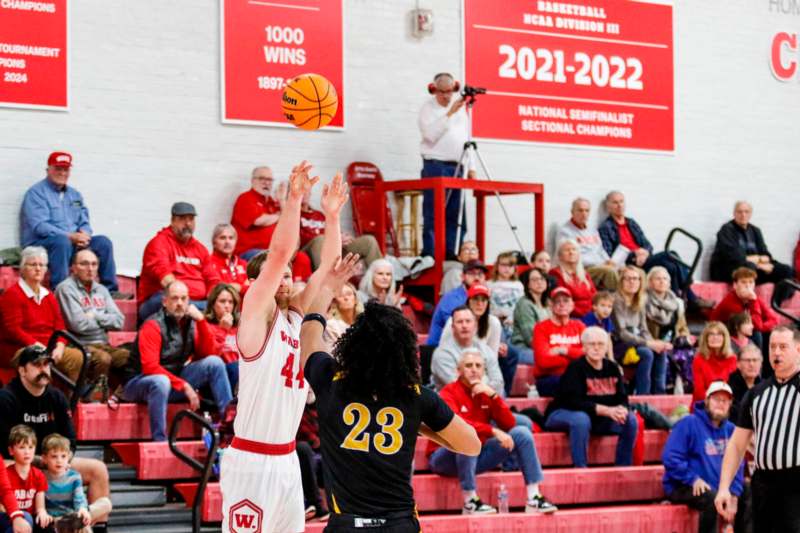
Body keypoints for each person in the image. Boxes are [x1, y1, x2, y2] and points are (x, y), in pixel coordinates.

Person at [299, 254, 482, 531]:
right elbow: (472, 445)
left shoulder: (330, 380)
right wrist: (418, 428)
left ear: (353, 344)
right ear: (406, 351)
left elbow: (309, 333)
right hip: (399, 524)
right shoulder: (416, 396)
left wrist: (328, 290)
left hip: (347, 525)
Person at [219, 162, 348, 533]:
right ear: (260, 283)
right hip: (251, 461)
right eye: (281, 275)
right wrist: (293, 201)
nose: (288, 279)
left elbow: (329, 267)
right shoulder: (256, 318)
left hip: (287, 459)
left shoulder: (297, 319)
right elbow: (278, 254)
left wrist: (332, 216)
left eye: (291, 275)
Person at [428, 351, 557, 515]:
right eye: (468, 366)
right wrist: (493, 431)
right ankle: (470, 502)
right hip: (443, 458)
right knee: (466, 438)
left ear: (483, 371)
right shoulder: (448, 393)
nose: (474, 369)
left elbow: (509, 423)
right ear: (458, 371)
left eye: (478, 366)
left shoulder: (485, 393)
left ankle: (534, 497)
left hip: (476, 455)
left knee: (521, 433)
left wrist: (494, 396)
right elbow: (457, 425)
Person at [0, 346, 111, 526]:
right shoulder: (6, 398)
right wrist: (39, 461)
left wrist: (62, 461)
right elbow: (4, 447)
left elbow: (71, 440)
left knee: (98, 469)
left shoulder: (57, 397)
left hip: (52, 460)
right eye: (37, 365)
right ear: (22, 370)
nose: (43, 369)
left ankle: (88, 526)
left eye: (46, 365)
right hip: (19, 461)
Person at [120, 281, 233, 441]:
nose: (180, 303)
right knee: (161, 382)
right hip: (138, 382)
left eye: (184, 298)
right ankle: (160, 440)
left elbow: (208, 353)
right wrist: (185, 386)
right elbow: (150, 367)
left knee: (214, 362)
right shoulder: (153, 325)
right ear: (165, 301)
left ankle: (229, 426)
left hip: (173, 379)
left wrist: (201, 321)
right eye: (174, 298)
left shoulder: (191, 323)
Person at [715, 326, 800, 531]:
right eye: (772, 347)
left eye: (783, 347)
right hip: (763, 483)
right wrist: (724, 486)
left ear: (798, 349)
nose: (777, 352)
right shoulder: (756, 394)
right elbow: (737, 445)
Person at [20, 152, 119, 293]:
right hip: (42, 244)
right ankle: (61, 291)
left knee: (103, 242)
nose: (62, 173)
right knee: (61, 241)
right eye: (58, 169)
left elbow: (84, 221)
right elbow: (40, 226)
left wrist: (85, 234)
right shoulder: (36, 193)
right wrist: (70, 236)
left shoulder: (75, 195)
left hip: (71, 243)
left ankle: (110, 291)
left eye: (65, 169)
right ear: (48, 170)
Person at [544, 327, 637, 468]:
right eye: (592, 344)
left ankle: (623, 467)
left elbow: (622, 398)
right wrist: (607, 411)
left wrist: (622, 409)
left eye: (600, 344)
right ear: (584, 347)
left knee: (630, 419)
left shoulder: (612, 368)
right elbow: (573, 402)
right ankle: (581, 468)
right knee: (581, 419)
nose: (596, 348)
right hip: (562, 413)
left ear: (606, 348)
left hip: (596, 418)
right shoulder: (575, 368)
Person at [599, 191, 709, 306]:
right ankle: (690, 292)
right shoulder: (606, 227)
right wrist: (634, 254)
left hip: (645, 259)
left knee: (671, 266)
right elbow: (610, 253)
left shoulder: (631, 223)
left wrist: (645, 252)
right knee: (670, 254)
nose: (619, 205)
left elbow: (648, 244)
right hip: (631, 263)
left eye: (621, 201)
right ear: (608, 207)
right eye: (615, 202)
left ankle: (678, 300)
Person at [663, 381, 747, 533]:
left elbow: (739, 463)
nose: (720, 404)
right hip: (684, 484)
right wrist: (692, 478)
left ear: (730, 404)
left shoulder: (732, 429)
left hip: (717, 487)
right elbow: (671, 458)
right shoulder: (688, 423)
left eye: (725, 401)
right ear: (707, 400)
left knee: (748, 491)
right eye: (716, 399)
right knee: (711, 498)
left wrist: (734, 493)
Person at [0, 247, 85, 384]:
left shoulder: (49, 295)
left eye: (42, 265)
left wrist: (60, 347)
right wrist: (36, 345)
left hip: (48, 346)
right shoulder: (12, 294)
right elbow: (13, 329)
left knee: (79, 356)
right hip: (20, 347)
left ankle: (71, 400)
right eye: (33, 264)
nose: (38, 269)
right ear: (23, 269)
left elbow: (60, 326)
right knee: (37, 357)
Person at [55, 248, 129, 397]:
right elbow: (78, 324)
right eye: (84, 264)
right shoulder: (65, 289)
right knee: (103, 358)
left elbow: (119, 321)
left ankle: (120, 396)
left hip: (103, 344)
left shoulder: (101, 289)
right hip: (77, 344)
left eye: (94, 264)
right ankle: (92, 399)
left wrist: (94, 315)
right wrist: (105, 319)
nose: (90, 269)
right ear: (74, 268)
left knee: (131, 357)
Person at [418, 72, 476, 259]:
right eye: (442, 92)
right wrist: (449, 114)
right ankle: (432, 253)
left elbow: (467, 139)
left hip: (458, 165)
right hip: (435, 164)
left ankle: (452, 252)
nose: (446, 96)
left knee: (456, 212)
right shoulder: (427, 109)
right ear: (433, 90)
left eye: (449, 91)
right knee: (433, 213)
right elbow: (430, 135)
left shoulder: (461, 110)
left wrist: (472, 166)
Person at [441, 284, 519, 396]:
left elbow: (492, 360)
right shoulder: (453, 322)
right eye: (476, 299)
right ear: (468, 302)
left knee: (499, 394)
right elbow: (445, 355)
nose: (480, 304)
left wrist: (485, 383)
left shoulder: (494, 323)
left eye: (484, 300)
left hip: (481, 373)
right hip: (457, 372)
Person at [138, 202, 212, 321]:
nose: (187, 223)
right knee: (166, 300)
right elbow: (166, 280)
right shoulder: (158, 243)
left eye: (191, 219)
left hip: (197, 302)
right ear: (172, 221)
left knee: (223, 304)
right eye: (182, 219)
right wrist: (184, 301)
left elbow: (212, 279)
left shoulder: (201, 249)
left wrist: (216, 301)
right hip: (160, 301)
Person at [710, 201, 795, 304]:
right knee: (749, 266)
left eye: (746, 212)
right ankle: (746, 305)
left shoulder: (755, 231)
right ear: (734, 213)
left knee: (786, 270)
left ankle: (776, 304)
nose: (743, 215)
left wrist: (762, 262)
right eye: (740, 212)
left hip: (751, 267)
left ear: (751, 214)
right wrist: (758, 262)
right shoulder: (727, 230)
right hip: (726, 269)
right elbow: (734, 257)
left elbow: (766, 255)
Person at [612, 266, 669, 395]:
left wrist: (654, 343)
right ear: (621, 282)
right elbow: (622, 333)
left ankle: (659, 394)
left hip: (637, 340)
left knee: (661, 351)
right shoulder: (616, 300)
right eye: (628, 279)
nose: (632, 282)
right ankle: (643, 396)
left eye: (636, 279)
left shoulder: (640, 300)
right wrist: (648, 344)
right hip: (620, 344)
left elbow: (644, 329)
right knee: (646, 353)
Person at [42, 433, 113, 533]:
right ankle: (66, 524)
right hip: (54, 519)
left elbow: (79, 497)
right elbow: (40, 503)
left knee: (105, 503)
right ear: (44, 459)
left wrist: (83, 509)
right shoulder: (41, 477)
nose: (59, 461)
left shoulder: (74, 476)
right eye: (54, 456)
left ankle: (74, 522)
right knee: (82, 525)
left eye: (63, 456)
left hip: (73, 515)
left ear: (68, 458)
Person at [299, 187, 382, 269]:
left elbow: (333, 229)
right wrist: (333, 240)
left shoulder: (319, 215)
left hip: (332, 247)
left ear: (310, 194)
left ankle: (382, 273)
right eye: (301, 191)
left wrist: (342, 237)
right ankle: (325, 279)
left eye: (307, 192)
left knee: (369, 241)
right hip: (309, 251)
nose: (304, 194)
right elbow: (300, 238)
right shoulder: (294, 215)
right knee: (320, 240)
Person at [431, 307, 504, 394]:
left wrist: (481, 387)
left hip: (485, 402)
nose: (464, 326)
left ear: (475, 325)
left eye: (468, 321)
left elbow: (498, 383)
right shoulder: (442, 354)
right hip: (451, 405)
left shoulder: (486, 350)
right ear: (453, 327)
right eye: (460, 322)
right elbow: (457, 386)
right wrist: (486, 381)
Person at [532, 287, 586, 396]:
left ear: (572, 305)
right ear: (551, 306)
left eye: (566, 301)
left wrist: (563, 350)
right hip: (550, 379)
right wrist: (576, 358)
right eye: (557, 301)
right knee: (574, 385)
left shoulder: (579, 326)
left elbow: (589, 354)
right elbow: (543, 362)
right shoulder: (541, 328)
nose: (561, 304)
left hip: (577, 376)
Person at [556, 198, 620, 290]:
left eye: (587, 211)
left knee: (627, 271)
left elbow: (600, 250)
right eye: (580, 210)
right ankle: (619, 301)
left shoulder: (592, 230)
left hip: (599, 266)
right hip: (582, 269)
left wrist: (608, 260)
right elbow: (572, 257)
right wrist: (602, 263)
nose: (584, 214)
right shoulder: (565, 232)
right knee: (610, 272)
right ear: (572, 212)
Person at [711, 267, 778, 349]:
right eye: (743, 282)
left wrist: (763, 327)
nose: (748, 285)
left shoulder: (754, 299)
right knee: (756, 333)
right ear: (735, 285)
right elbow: (756, 325)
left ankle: (763, 360)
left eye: (751, 282)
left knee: (770, 333)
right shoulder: (730, 301)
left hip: (740, 330)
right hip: (721, 332)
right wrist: (753, 301)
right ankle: (754, 360)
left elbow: (774, 320)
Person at [426, 260, 488, 347]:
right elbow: (459, 329)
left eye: (480, 274)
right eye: (472, 274)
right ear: (462, 277)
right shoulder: (451, 298)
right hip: (438, 348)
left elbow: (488, 320)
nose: (477, 278)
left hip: (468, 343)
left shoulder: (484, 296)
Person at [230, 166, 283, 259]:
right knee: (268, 259)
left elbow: (288, 222)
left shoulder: (271, 202)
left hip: (272, 250)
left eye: (270, 179)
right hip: (249, 251)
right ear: (253, 180)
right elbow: (259, 221)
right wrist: (280, 215)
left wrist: (282, 200)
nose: (266, 182)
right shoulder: (245, 198)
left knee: (301, 258)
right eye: (262, 178)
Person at [6, 425, 46, 531]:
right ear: (11, 451)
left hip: (31, 519)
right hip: (9, 517)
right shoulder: (6, 475)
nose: (27, 452)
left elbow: (40, 507)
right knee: (24, 518)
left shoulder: (39, 475)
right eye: (22, 447)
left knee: (45, 525)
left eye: (31, 447)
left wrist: (43, 514)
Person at [203, 283, 241, 392]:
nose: (227, 306)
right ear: (213, 304)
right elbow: (211, 356)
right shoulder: (205, 326)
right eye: (222, 301)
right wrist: (222, 330)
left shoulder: (239, 327)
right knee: (236, 367)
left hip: (240, 374)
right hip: (218, 377)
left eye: (231, 302)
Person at [511, 267, 551, 365]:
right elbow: (531, 338)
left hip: (546, 346)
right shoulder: (524, 304)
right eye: (534, 279)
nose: (539, 282)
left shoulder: (548, 303)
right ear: (527, 284)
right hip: (524, 348)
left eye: (542, 278)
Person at [692, 322, 738, 405]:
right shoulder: (699, 359)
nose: (715, 337)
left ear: (725, 338)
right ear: (706, 338)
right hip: (704, 404)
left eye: (719, 334)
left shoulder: (732, 359)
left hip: (726, 405)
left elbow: (733, 389)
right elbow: (699, 391)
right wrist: (715, 403)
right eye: (711, 334)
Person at [549, 239, 597, 317]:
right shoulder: (555, 273)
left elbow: (595, 296)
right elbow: (563, 301)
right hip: (573, 316)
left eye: (574, 249)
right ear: (560, 256)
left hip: (591, 314)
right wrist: (589, 311)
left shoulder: (584, 274)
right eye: (567, 250)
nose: (571, 252)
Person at [645, 266, 691, 342]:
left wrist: (683, 337)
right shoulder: (644, 301)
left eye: (665, 279)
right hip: (652, 343)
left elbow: (683, 328)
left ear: (669, 283)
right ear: (650, 282)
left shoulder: (677, 303)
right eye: (658, 279)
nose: (662, 281)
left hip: (672, 344)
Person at [202, 223, 250, 296]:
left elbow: (254, 288)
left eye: (231, 238)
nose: (227, 242)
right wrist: (242, 287)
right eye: (222, 238)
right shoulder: (208, 262)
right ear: (214, 242)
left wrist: (240, 288)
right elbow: (216, 289)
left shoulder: (243, 264)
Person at [728, 344, 762, 422]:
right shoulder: (730, 388)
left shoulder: (765, 387)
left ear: (760, 364)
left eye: (755, 360)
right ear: (738, 364)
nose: (751, 364)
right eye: (747, 360)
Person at [324, 283, 363, 350]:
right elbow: (334, 353)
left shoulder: (364, 321)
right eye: (340, 295)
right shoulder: (331, 325)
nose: (346, 298)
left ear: (355, 299)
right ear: (334, 302)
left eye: (349, 294)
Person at [581, 291, 615, 360]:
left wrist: (611, 358)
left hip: (600, 347)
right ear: (594, 307)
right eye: (603, 305)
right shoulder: (589, 319)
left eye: (609, 306)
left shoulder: (607, 320)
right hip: (589, 348)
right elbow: (585, 340)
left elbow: (608, 339)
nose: (606, 310)